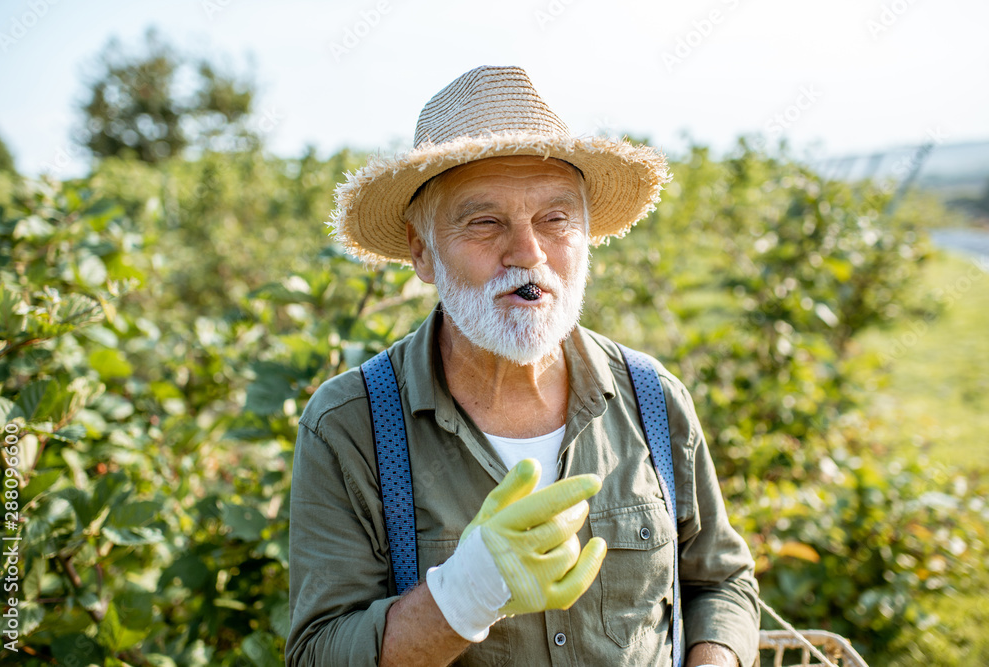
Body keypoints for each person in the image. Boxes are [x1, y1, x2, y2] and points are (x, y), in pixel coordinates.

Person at [286, 65, 759, 667]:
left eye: (556, 219)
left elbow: (719, 581)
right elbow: (320, 653)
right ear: (421, 251)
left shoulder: (653, 399)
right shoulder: (350, 425)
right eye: (484, 222)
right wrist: (467, 591)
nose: (528, 253)